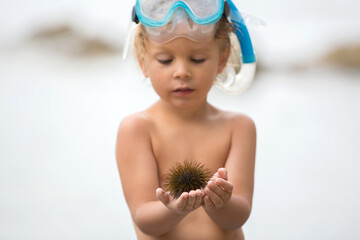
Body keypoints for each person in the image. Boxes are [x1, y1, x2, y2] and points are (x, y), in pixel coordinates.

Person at [116, 0, 257, 239]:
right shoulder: (137, 129)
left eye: (198, 59)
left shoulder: (239, 127)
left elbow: (239, 215)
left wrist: (221, 203)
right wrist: (173, 209)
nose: (182, 71)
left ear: (222, 60)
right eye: (165, 60)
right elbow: (144, 217)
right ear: (143, 62)